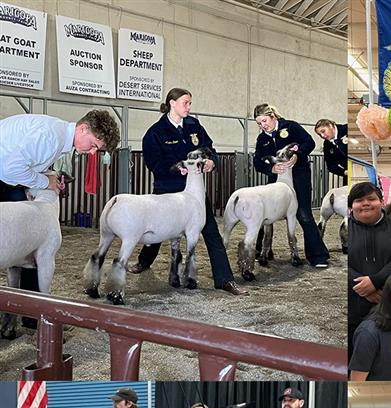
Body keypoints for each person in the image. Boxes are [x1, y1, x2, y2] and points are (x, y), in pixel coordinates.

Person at [0, 110, 120, 317]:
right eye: (93, 145)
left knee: (27, 242)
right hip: (5, 179)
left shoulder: (57, 135)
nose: (92, 153)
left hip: (7, 179)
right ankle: (31, 314)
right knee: (23, 241)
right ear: (83, 128)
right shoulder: (50, 138)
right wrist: (46, 182)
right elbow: (12, 170)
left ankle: (28, 313)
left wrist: (48, 179)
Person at [128, 88, 246, 295]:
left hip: (194, 193)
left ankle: (225, 279)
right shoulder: (155, 132)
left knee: (210, 231)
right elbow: (153, 162)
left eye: (190, 103)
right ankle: (143, 261)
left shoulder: (194, 126)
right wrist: (176, 168)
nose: (189, 107)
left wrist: (212, 162)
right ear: (172, 103)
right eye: (186, 103)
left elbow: (209, 148)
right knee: (157, 230)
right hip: (168, 190)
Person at [252, 103, 330, 267]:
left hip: (299, 175)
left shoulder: (291, 127)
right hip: (276, 180)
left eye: (265, 121)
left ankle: (318, 256)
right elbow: (257, 161)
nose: (263, 125)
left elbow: (309, 142)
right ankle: (262, 251)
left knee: (303, 213)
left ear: (273, 116)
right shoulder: (262, 138)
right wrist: (270, 168)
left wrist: (298, 155)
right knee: (265, 212)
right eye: (259, 123)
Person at [348, 182, 391, 356]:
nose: (365, 203)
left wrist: (376, 281)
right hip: (350, 306)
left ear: (381, 201)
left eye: (371, 199)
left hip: (388, 306)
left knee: (386, 356)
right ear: (351, 207)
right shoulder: (343, 230)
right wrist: (364, 288)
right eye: (359, 200)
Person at [314, 119, 347, 184]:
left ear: (330, 125)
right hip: (348, 174)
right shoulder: (327, 144)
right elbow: (330, 164)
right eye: (320, 134)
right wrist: (343, 172)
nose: (322, 136)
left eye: (323, 131)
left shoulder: (346, 129)